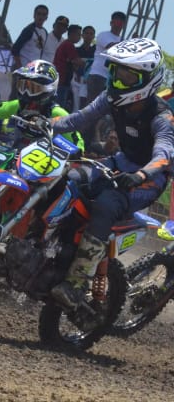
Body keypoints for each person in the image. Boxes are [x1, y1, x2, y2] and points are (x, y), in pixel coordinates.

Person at [47, 38, 173, 311]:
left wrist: (140, 176)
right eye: (116, 72)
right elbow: (78, 118)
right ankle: (44, 246)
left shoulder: (161, 117)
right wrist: (46, 123)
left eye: (127, 76)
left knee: (106, 204)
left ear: (148, 79)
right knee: (69, 178)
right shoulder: (111, 99)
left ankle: (77, 283)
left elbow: (163, 155)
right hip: (120, 161)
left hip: (150, 178)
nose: (118, 80)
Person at [0, 60, 82, 150]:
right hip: (14, 153)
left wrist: (78, 151)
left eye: (33, 88)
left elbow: (75, 138)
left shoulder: (57, 113)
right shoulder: (18, 106)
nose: (26, 93)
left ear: (48, 88)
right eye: (23, 86)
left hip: (43, 160)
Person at [52, 24, 84, 111]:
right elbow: (77, 61)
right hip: (62, 80)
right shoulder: (68, 45)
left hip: (62, 80)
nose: (80, 37)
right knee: (59, 106)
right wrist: (87, 62)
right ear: (72, 34)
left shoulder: (65, 44)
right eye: (78, 34)